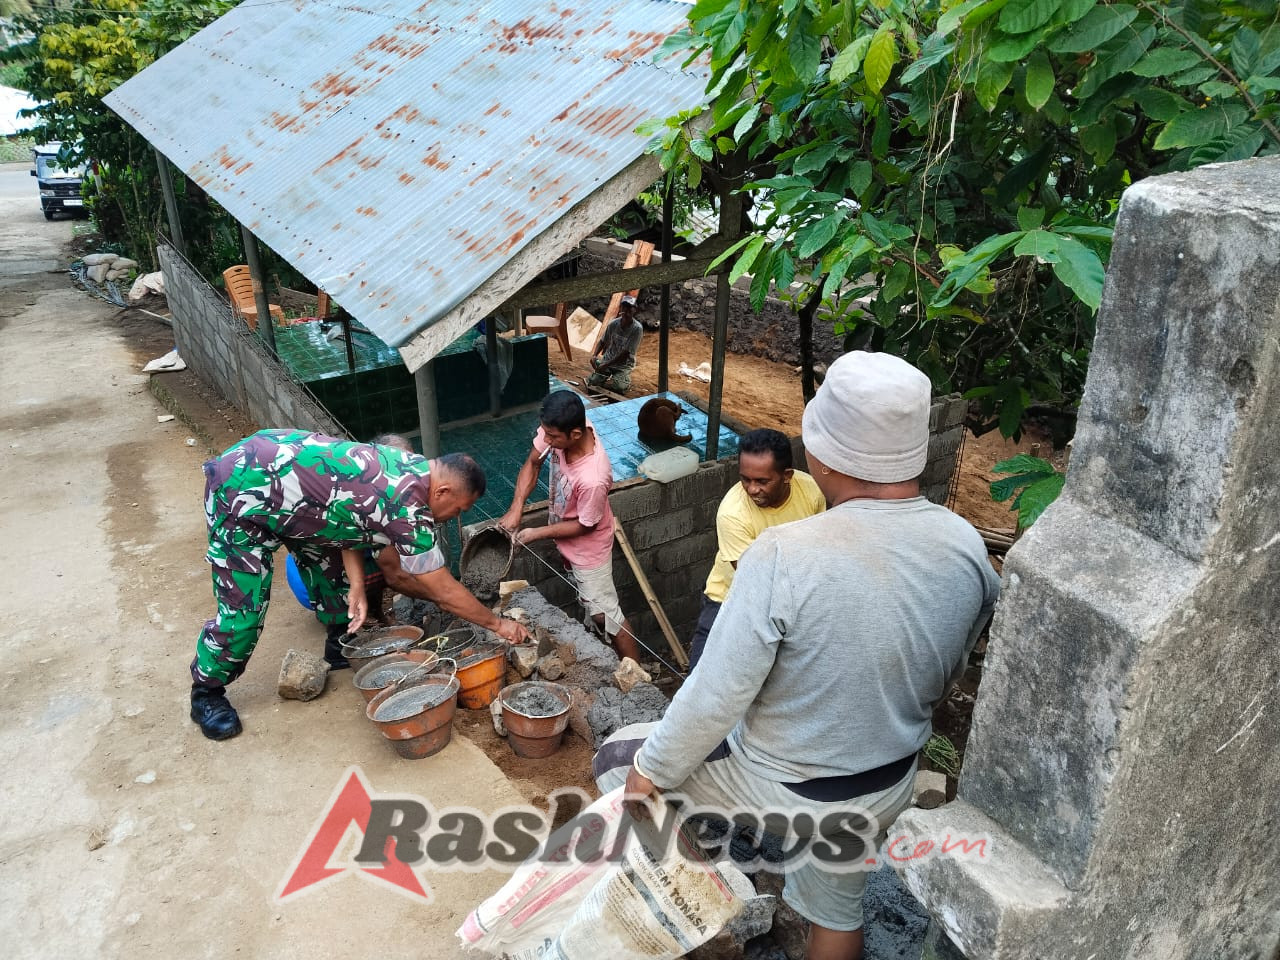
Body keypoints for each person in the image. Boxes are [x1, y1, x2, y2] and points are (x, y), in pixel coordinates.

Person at [593, 352, 1000, 960]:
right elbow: (948, 675)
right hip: (888, 783)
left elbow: (714, 694)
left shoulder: (784, 552)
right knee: (837, 908)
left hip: (790, 793)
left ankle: (695, 904)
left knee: (620, 756)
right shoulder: (968, 546)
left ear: (818, 454)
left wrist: (646, 777)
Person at [191, 429, 530, 741]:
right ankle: (207, 691)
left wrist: (356, 584)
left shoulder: (410, 466)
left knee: (332, 574)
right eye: (458, 508)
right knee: (243, 610)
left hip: (293, 499)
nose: (454, 517)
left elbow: (348, 518)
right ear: (442, 491)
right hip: (241, 492)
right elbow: (442, 590)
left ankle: (339, 645)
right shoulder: (405, 506)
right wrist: (498, 624)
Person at [499, 390, 641, 663]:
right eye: (545, 433)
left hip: (589, 549)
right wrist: (516, 508)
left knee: (605, 615)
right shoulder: (559, 430)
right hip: (566, 538)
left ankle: (637, 680)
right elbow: (532, 462)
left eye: (552, 437)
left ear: (575, 434)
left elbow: (585, 526)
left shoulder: (593, 477)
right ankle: (606, 659)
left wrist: (536, 533)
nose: (546, 441)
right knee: (588, 607)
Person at [688, 428, 826, 670]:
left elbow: (818, 548)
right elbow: (754, 579)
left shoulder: (811, 491)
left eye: (762, 481)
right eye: (745, 479)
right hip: (730, 597)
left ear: (787, 475)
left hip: (790, 596)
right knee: (701, 673)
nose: (752, 489)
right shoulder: (733, 514)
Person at [588, 294, 642, 393]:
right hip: (608, 359)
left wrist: (605, 365)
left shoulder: (637, 329)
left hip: (623, 365)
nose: (626, 310)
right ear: (621, 308)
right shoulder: (614, 324)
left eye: (630, 307)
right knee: (593, 382)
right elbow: (602, 341)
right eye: (624, 307)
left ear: (635, 310)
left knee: (619, 388)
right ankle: (602, 367)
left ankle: (624, 380)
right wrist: (594, 355)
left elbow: (625, 354)